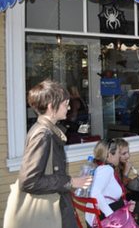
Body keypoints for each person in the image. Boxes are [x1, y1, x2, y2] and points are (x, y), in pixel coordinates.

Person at [19, 80, 91, 227]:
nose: (69, 107)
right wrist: (70, 182)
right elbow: (29, 181)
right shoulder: (43, 135)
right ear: (52, 107)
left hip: (56, 209)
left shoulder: (46, 131)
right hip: (51, 214)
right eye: (66, 104)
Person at [87, 139, 136, 227]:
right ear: (109, 155)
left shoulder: (96, 166)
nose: (118, 156)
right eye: (118, 153)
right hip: (102, 219)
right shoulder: (106, 169)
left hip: (95, 215)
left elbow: (107, 196)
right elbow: (95, 193)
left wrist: (126, 205)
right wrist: (110, 214)